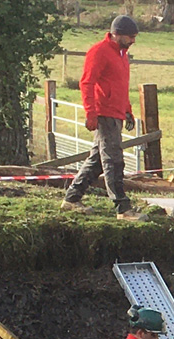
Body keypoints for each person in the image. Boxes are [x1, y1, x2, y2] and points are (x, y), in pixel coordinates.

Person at [61, 16, 144, 221]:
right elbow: (87, 83)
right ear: (116, 33)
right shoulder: (99, 52)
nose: (133, 40)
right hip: (104, 113)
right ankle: (122, 209)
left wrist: (127, 110)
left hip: (115, 113)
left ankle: (71, 199)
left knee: (97, 161)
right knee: (113, 160)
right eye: (130, 37)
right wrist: (90, 113)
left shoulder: (122, 55)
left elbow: (120, 86)